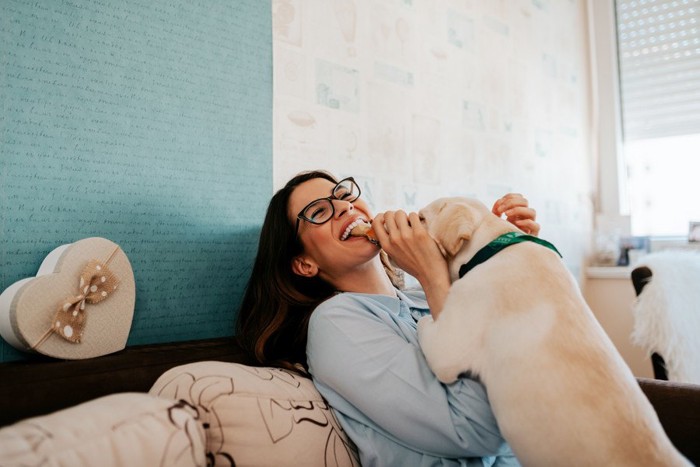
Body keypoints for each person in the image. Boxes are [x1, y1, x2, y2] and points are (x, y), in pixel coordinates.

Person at [236, 170, 540, 466]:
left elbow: (536, 369)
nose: (344, 206)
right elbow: (480, 429)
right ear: (304, 264)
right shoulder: (335, 323)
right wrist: (430, 272)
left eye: (343, 195)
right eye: (318, 211)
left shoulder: (427, 298)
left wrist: (510, 255)